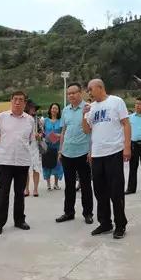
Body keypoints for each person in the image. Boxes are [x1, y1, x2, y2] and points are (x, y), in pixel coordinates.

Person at [82, 79, 131, 239]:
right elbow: (87, 130)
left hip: (114, 151)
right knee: (99, 191)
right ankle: (105, 223)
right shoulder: (91, 107)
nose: (89, 92)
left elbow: (126, 124)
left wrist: (127, 147)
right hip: (97, 154)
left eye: (90, 89)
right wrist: (84, 115)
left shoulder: (116, 101)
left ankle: (120, 224)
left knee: (116, 191)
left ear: (100, 87)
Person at [0, 91, 34, 234]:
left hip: (22, 161)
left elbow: (30, 140)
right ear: (11, 100)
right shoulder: (1, 117)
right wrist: (4, 150)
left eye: (21, 100)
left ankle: (19, 220)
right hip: (5, 161)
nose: (17, 102)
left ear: (25, 103)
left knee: (20, 193)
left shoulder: (30, 120)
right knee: (3, 193)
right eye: (15, 99)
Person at [56, 83, 94, 224]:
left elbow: (92, 131)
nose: (71, 95)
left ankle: (88, 213)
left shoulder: (88, 108)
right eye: (69, 93)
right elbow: (63, 131)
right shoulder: (66, 110)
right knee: (69, 185)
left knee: (85, 185)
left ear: (81, 93)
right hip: (67, 152)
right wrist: (60, 150)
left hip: (83, 153)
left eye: (74, 92)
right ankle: (68, 212)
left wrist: (91, 151)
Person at [42, 103, 64, 190]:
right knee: (46, 164)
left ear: (58, 111)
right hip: (47, 146)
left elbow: (63, 133)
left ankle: (56, 184)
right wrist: (45, 136)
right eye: (53, 108)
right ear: (50, 109)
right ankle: (48, 184)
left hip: (57, 146)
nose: (54, 110)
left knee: (57, 165)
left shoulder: (61, 121)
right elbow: (42, 132)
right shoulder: (45, 120)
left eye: (56, 108)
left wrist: (58, 135)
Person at [24, 101, 43, 197]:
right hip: (25, 146)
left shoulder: (38, 119)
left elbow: (42, 132)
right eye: (32, 108)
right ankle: (26, 189)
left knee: (36, 168)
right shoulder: (23, 119)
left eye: (34, 108)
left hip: (35, 146)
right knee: (25, 169)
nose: (33, 109)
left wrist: (39, 135)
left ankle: (35, 189)